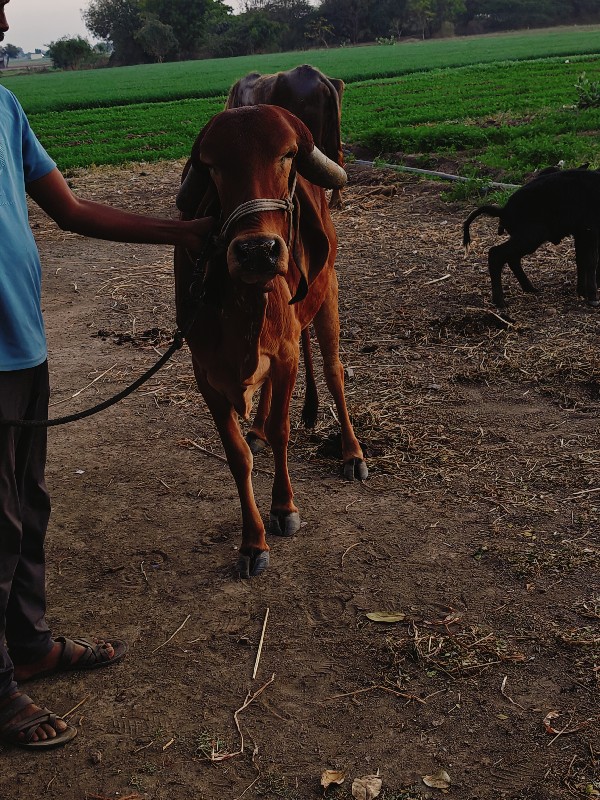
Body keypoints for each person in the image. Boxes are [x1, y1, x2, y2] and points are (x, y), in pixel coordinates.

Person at [0, 0, 213, 748]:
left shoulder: (4, 104)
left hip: (23, 346)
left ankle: (28, 646)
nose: (1, 22)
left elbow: (70, 209)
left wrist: (182, 233)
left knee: (26, 504)